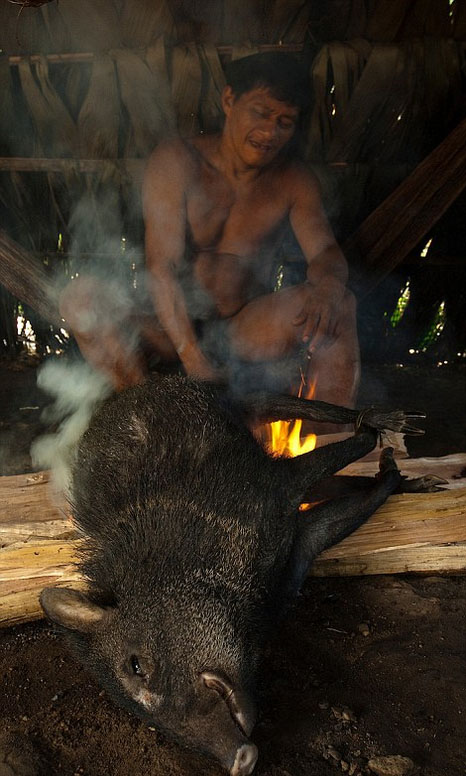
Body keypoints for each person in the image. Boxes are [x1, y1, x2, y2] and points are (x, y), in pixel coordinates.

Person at [60, 52, 360, 415]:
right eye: (261, 113)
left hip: (243, 328)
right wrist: (193, 359)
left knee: (340, 304)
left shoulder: (294, 181)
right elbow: (162, 267)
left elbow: (324, 251)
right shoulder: (177, 161)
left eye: (285, 122)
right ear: (230, 101)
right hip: (166, 330)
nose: (269, 133)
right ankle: (147, 414)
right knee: (82, 299)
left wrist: (328, 287)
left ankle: (331, 443)